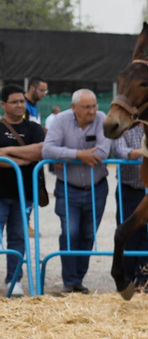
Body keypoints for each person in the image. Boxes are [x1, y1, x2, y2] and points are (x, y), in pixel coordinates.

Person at [41, 89, 111, 293]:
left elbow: (104, 150)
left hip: (97, 187)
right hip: (67, 188)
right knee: (70, 233)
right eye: (87, 107)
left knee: (89, 234)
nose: (92, 111)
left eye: (94, 106)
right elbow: (48, 149)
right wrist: (79, 154)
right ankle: (69, 281)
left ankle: (78, 279)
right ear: (74, 108)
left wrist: (66, 156)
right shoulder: (60, 120)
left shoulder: (101, 118)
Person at [108, 123, 148, 291]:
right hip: (130, 189)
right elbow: (121, 151)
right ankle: (128, 279)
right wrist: (147, 152)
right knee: (129, 234)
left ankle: (146, 278)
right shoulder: (125, 129)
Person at [0, 84, 45, 293]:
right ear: (3, 105)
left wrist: (6, 152)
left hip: (24, 194)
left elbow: (39, 152)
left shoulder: (34, 128)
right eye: (15, 102)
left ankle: (14, 279)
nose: (20, 105)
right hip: (1, 194)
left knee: (19, 236)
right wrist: (22, 157)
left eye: (22, 101)